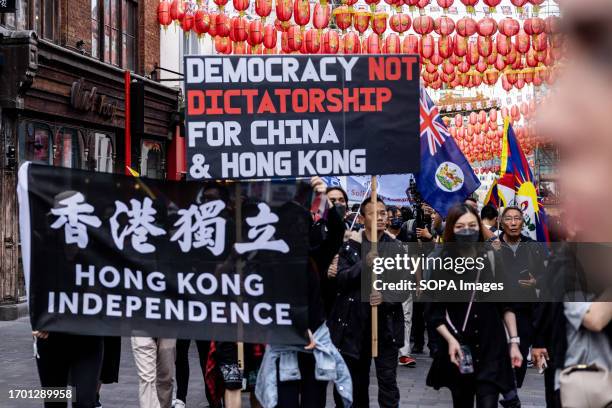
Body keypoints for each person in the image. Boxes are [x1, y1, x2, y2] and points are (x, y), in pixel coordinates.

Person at [255, 177, 348, 408]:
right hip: (285, 345)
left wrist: (323, 197)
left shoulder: (316, 258)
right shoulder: (270, 262)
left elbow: (337, 231)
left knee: (314, 402)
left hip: (315, 347)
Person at [425, 204, 523, 408]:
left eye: (472, 225)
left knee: (489, 402)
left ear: (479, 227)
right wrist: (451, 341)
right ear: (451, 229)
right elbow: (434, 313)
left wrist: (514, 341)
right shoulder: (441, 263)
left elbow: (505, 304)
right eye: (460, 226)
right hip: (461, 348)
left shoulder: (491, 257)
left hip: (492, 347)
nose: (467, 230)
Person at [329, 196, 405, 408]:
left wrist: (385, 297)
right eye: (374, 213)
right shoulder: (349, 247)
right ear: (362, 218)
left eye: (383, 213)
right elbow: (341, 280)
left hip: (386, 329)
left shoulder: (395, 247)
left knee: (388, 384)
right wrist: (364, 263)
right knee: (354, 384)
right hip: (353, 327)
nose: (381, 218)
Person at [494, 206, 546, 388]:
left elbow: (545, 276)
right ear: (501, 222)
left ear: (523, 222)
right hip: (498, 311)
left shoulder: (533, 247)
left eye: (517, 218)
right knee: (497, 355)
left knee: (520, 356)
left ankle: (512, 391)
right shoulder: (492, 246)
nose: (513, 223)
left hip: (524, 311)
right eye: (508, 219)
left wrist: (536, 282)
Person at [32, 331, 104, 408]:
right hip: (49, 333)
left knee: (84, 401)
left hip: (89, 333)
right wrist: (38, 322)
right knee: (55, 401)